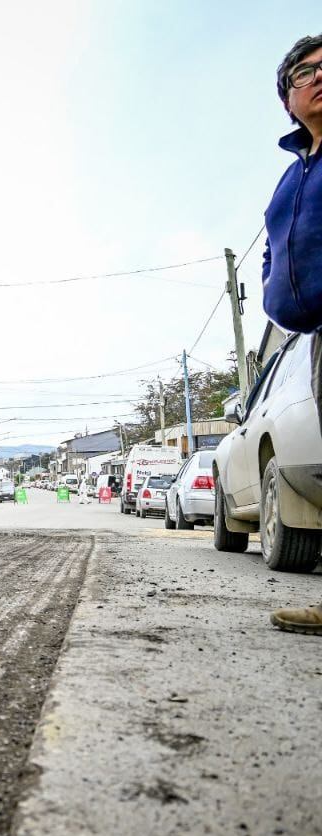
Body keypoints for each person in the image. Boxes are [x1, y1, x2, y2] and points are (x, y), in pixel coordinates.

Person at [263, 34, 322, 635]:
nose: (320, 77)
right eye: (306, 72)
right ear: (289, 100)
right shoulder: (291, 177)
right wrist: (271, 290)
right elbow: (275, 245)